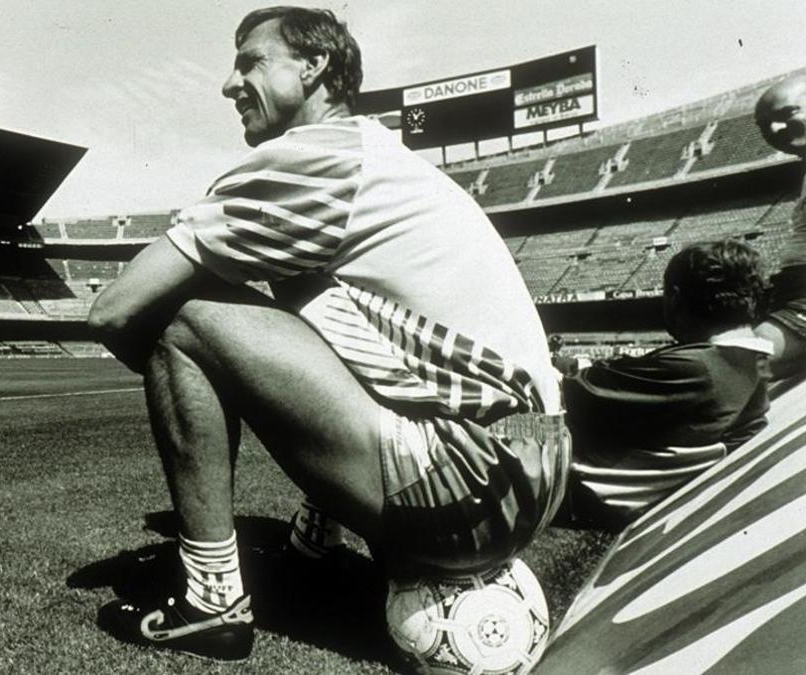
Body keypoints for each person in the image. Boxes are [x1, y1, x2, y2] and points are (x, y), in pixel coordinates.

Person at [88, 6, 567, 662]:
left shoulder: (310, 159)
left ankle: (213, 601)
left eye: (251, 61)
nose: (230, 84)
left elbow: (113, 310)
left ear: (314, 68)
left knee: (184, 317)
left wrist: (196, 380)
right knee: (303, 319)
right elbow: (350, 348)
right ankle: (317, 542)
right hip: (530, 475)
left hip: (472, 481)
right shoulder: (372, 157)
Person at [561, 240, 772, 532]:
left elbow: (568, 395)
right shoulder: (748, 364)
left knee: (499, 422)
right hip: (596, 478)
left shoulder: (701, 368)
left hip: (566, 480)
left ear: (674, 298)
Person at [754, 74, 806, 382]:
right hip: (791, 286)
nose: (774, 129)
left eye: (787, 114)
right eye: (764, 124)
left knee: (742, 365)